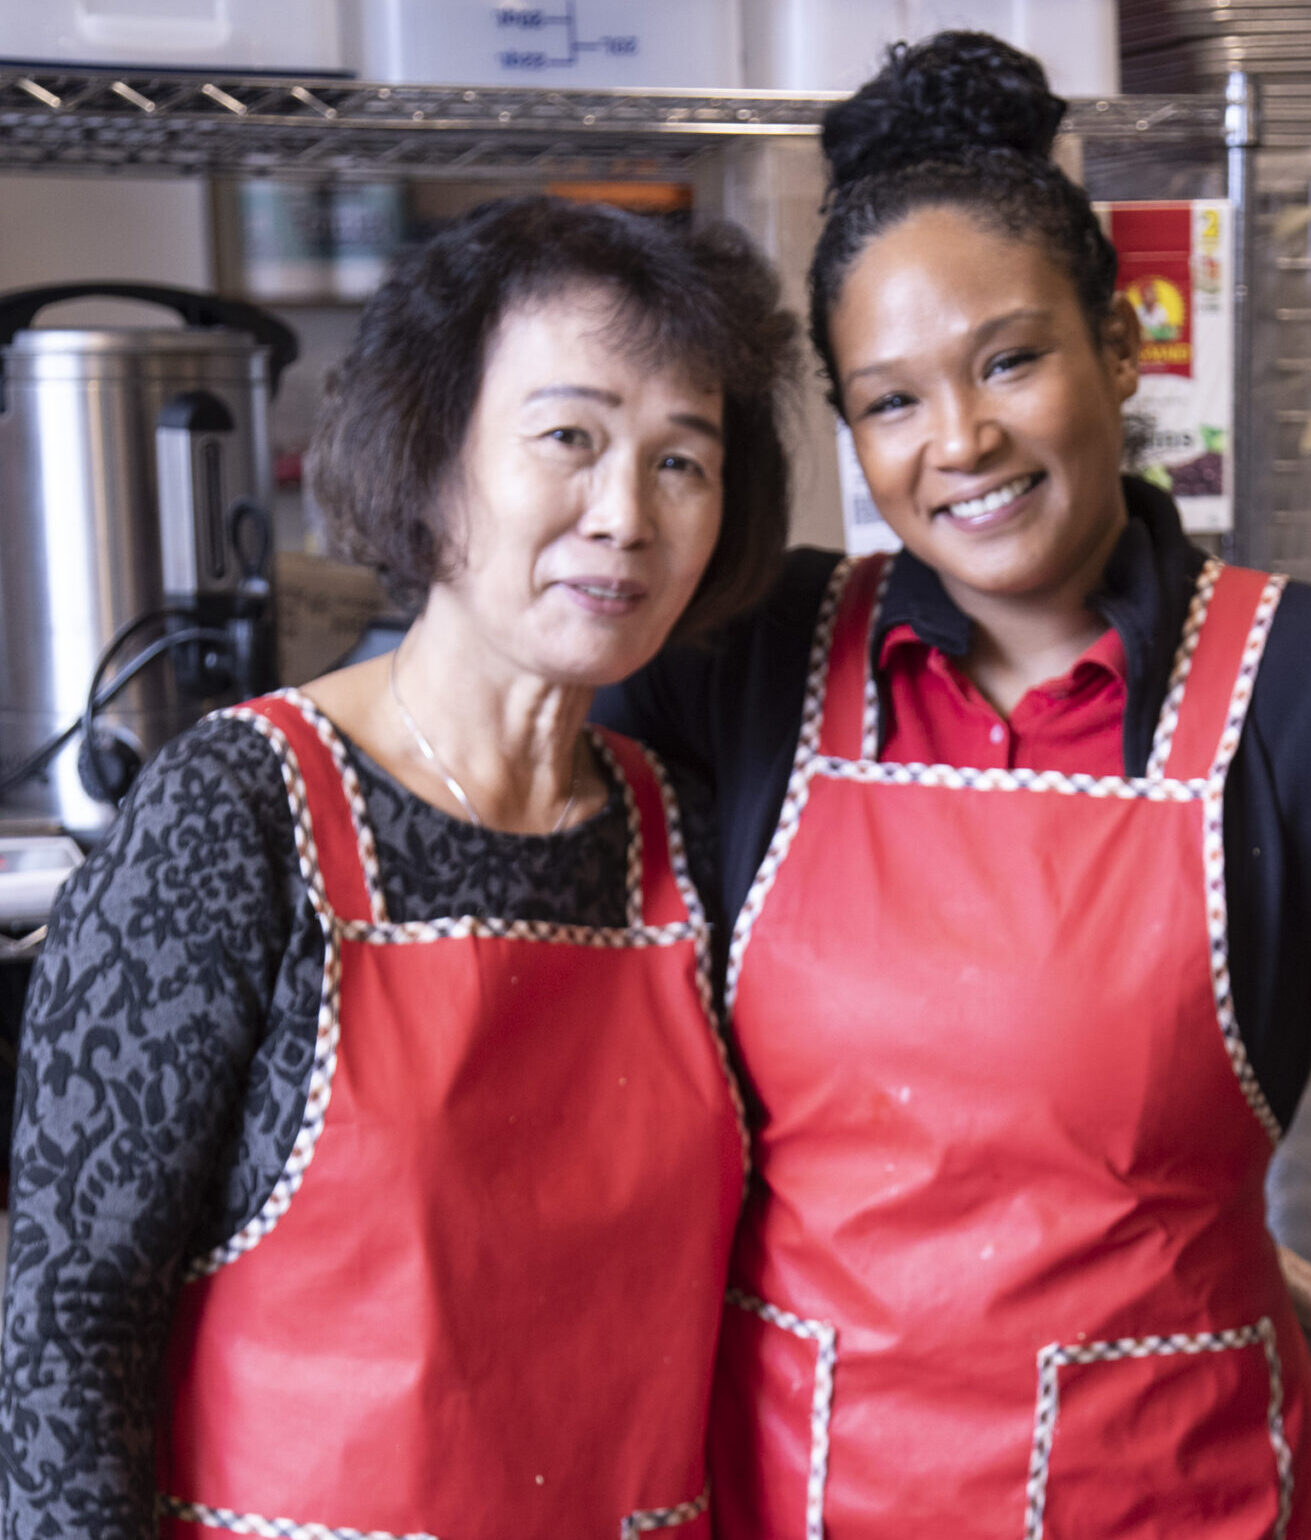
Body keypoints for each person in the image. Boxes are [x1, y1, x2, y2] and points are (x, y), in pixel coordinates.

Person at [597, 32, 1311, 1537]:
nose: (961, 443)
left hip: (1164, 1495)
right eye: (891, 402)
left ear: (1120, 351)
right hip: (795, 1494)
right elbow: (536, 936)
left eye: (1009, 360)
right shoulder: (749, 655)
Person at [1, 194, 795, 1540]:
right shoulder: (240, 813)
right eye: (569, 439)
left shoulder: (684, 835)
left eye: (683, 462)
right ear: (433, 459)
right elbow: (67, 1328)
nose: (626, 515)